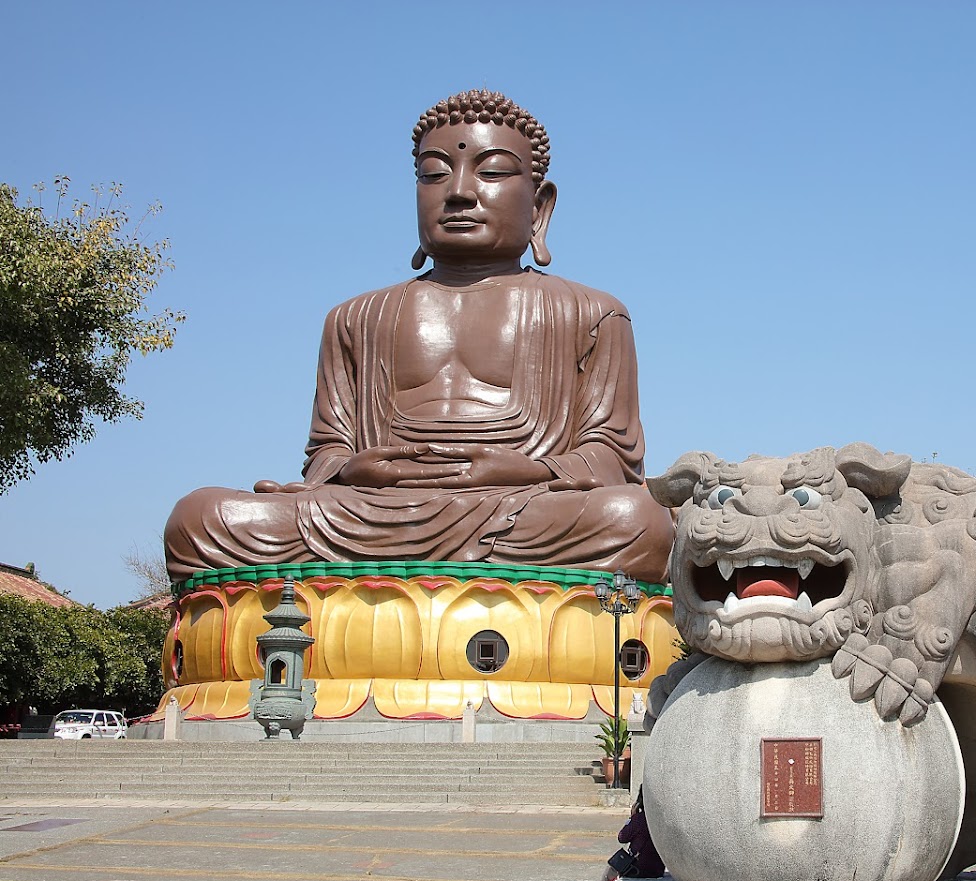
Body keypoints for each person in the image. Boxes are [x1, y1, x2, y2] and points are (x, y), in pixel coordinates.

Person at [164, 90, 672, 583]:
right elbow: (327, 453)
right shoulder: (357, 317)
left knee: (638, 518)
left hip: (522, 508)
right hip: (372, 513)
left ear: (540, 206)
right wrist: (352, 470)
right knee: (200, 517)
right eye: (433, 175)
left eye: (492, 172)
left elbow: (610, 459)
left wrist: (524, 470)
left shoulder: (591, 313)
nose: (459, 192)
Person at [600, 789, 664, 881]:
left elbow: (622, 837)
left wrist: (632, 818)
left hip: (637, 869)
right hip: (658, 869)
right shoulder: (660, 819)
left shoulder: (638, 819)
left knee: (611, 869)